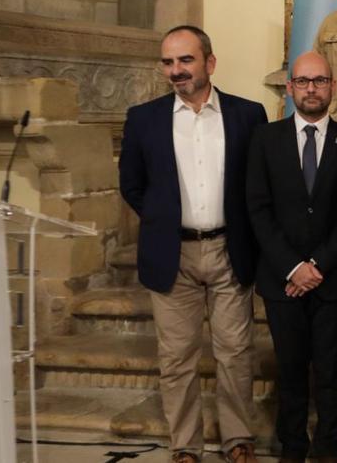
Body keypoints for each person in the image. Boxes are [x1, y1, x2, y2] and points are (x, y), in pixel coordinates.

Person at [118, 26, 267, 463]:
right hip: (172, 253)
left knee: (235, 353)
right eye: (168, 62)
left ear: (210, 62)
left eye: (185, 60)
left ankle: (238, 439)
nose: (176, 70)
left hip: (229, 248)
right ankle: (185, 445)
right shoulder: (143, 118)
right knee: (177, 357)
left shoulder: (248, 114)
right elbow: (132, 185)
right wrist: (165, 218)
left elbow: (257, 182)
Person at [245, 52, 337, 463]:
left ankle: (329, 450)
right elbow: (257, 208)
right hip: (281, 279)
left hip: (334, 279)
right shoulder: (265, 139)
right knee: (290, 371)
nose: (312, 88)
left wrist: (318, 266)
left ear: (334, 87)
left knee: (330, 372)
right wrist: (293, 266)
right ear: (290, 87)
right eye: (303, 81)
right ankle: (293, 448)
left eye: (320, 81)